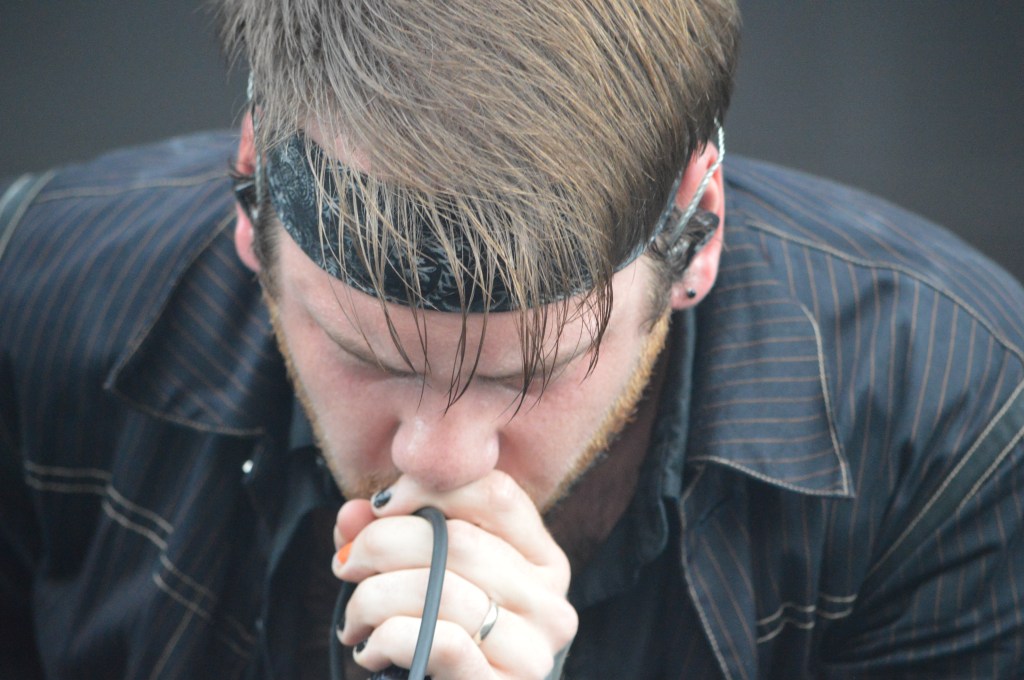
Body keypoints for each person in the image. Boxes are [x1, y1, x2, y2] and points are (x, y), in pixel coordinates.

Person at [2, 1, 1023, 678]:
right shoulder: (32, 304)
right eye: (367, 356)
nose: (441, 456)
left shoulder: (951, 426)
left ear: (699, 227)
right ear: (252, 189)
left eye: (529, 373)